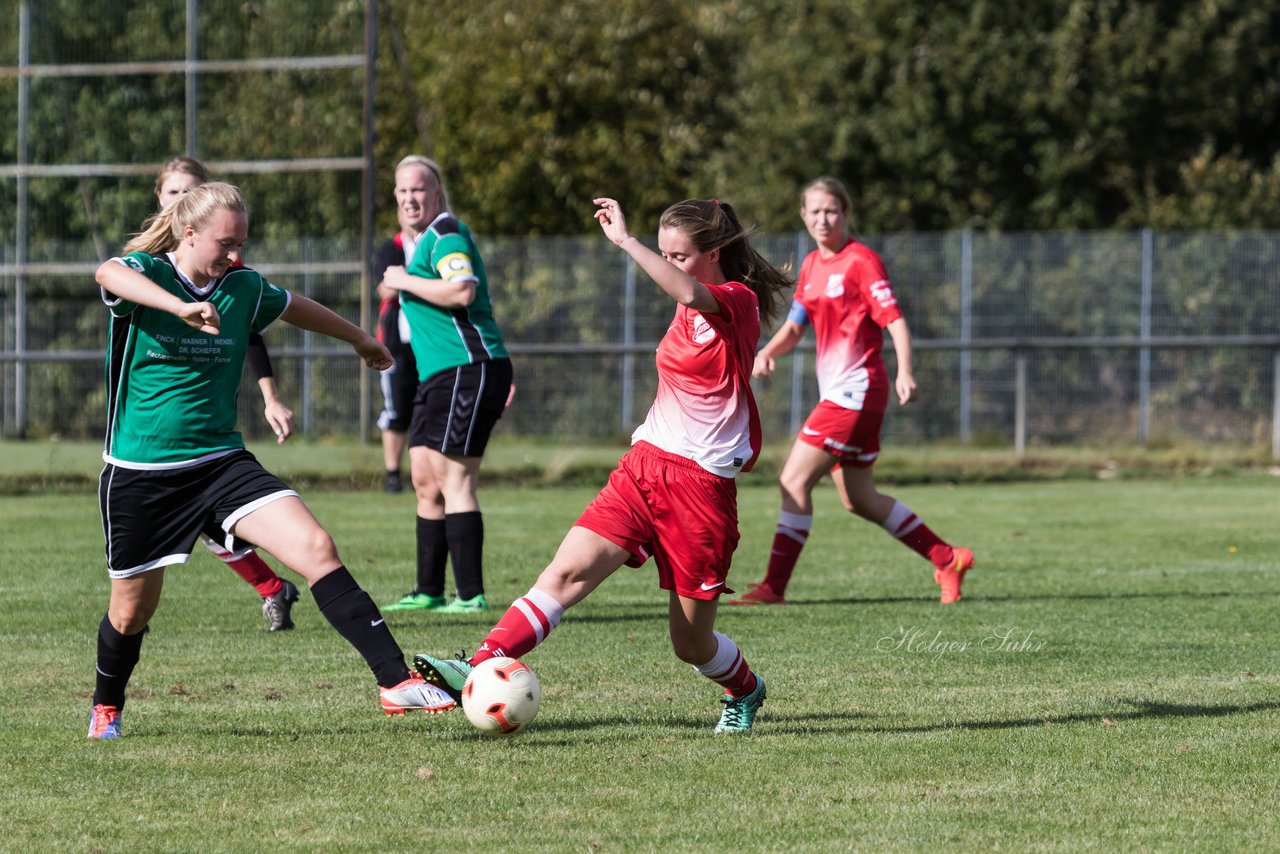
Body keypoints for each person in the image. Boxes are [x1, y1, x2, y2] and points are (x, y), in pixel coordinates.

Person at [87, 182, 455, 738]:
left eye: (241, 243)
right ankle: (106, 707)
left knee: (315, 547)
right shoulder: (149, 275)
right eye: (225, 243)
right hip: (143, 476)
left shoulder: (242, 287)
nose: (235, 255)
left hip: (220, 463)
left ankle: (396, 681)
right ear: (189, 233)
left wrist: (359, 340)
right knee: (131, 614)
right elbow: (107, 274)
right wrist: (179, 306)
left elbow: (296, 308)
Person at [414, 195, 791, 734]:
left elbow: (686, 288)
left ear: (715, 252)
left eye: (678, 255)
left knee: (690, 644)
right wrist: (646, 248)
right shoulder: (689, 303)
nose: (669, 264)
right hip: (645, 466)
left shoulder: (737, 301)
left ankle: (745, 689)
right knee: (564, 573)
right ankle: (476, 665)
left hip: (701, 489)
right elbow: (682, 289)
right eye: (664, 253)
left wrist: (627, 242)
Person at [730, 177, 975, 607]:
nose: (823, 219)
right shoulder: (810, 266)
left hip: (856, 393)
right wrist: (768, 353)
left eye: (832, 211)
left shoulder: (861, 261)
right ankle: (948, 558)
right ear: (803, 216)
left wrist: (906, 371)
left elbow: (894, 319)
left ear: (845, 214)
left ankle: (773, 588)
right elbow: (795, 326)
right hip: (847, 394)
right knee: (859, 498)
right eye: (815, 211)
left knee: (793, 479)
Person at [153, 156, 301, 631]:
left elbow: (250, 330)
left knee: (196, 511)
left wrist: (270, 396)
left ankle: (271, 588)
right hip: (149, 425)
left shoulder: (226, 269)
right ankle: (272, 588)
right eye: (174, 192)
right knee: (184, 514)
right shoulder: (145, 269)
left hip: (202, 426)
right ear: (162, 200)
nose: (181, 201)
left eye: (190, 192)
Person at [379, 156, 513, 615]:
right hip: (438, 375)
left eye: (418, 189)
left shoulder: (445, 233)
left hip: (468, 367)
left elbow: (462, 291)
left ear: (435, 194)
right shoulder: (422, 245)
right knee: (423, 477)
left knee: (455, 478)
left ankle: (470, 595)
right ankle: (428, 590)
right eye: (401, 191)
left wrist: (404, 281)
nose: (409, 198)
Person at [371, 200, 422, 495]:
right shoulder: (390, 248)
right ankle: (393, 475)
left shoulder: (437, 244)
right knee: (396, 410)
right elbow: (385, 287)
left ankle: (424, 473)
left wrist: (406, 279)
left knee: (426, 408)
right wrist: (416, 279)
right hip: (395, 344)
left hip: (428, 341)